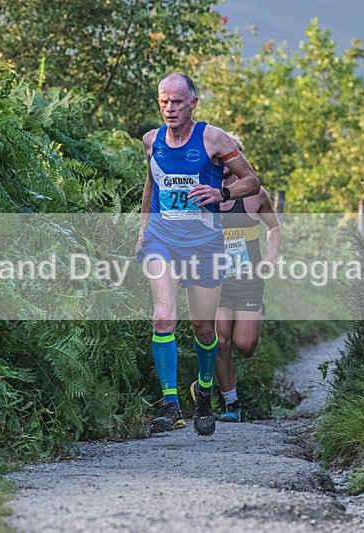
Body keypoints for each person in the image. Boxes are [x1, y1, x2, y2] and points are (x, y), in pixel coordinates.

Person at [135, 72, 260, 436]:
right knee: (163, 317)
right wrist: (143, 231)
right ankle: (170, 405)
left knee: (204, 327)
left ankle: (204, 393)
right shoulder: (151, 141)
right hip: (162, 240)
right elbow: (151, 185)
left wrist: (222, 193)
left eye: (177, 101)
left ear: (192, 103)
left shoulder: (214, 139)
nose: (169, 108)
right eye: (164, 101)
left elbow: (251, 181)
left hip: (204, 245)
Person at [214, 134, 282, 422]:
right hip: (215, 282)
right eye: (217, 159)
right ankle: (231, 403)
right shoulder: (204, 193)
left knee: (245, 346)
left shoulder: (256, 195)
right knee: (220, 341)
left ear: (238, 159)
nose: (223, 164)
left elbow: (274, 227)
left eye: (228, 159)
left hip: (248, 282)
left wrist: (270, 256)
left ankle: (254, 315)